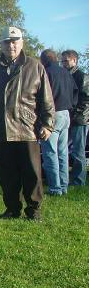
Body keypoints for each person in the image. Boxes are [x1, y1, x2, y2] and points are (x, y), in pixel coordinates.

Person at [0, 26, 55, 220]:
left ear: (21, 43)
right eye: (7, 42)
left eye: (14, 41)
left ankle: (34, 210)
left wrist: (47, 125)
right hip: (1, 131)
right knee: (7, 175)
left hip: (27, 129)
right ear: (1, 45)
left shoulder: (35, 66)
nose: (11, 45)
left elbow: (46, 99)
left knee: (32, 174)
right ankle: (12, 209)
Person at [39, 49, 78, 195]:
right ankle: (63, 186)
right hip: (66, 114)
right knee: (63, 152)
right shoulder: (66, 73)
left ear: (44, 60)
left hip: (52, 114)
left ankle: (55, 188)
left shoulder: (46, 73)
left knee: (50, 153)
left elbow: (41, 96)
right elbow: (75, 92)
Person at [61, 49, 89, 186]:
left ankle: (79, 181)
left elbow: (86, 100)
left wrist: (76, 114)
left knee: (78, 151)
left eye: (66, 61)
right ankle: (67, 178)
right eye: (62, 61)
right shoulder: (66, 76)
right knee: (64, 150)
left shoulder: (82, 76)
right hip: (69, 117)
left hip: (79, 119)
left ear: (74, 60)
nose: (63, 64)